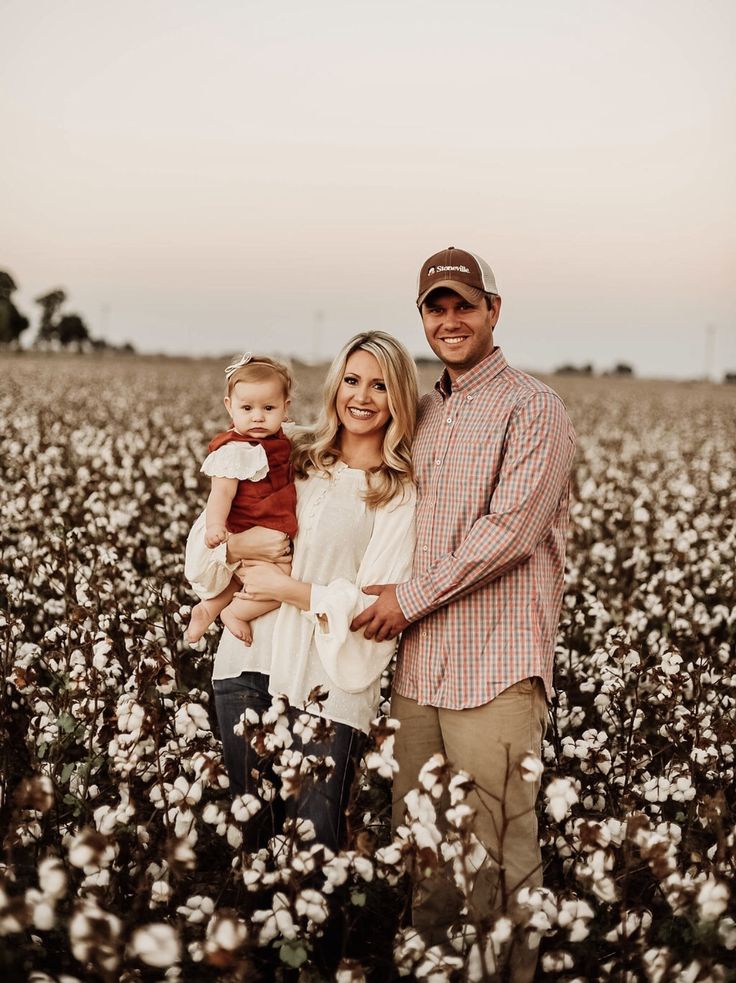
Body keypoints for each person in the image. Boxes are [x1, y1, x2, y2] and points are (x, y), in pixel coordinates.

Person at [352, 246, 576, 979]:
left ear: (493, 310)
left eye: (463, 305)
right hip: (418, 669)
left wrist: (405, 600)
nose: (450, 320)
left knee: (499, 851)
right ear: (422, 317)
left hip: (498, 664)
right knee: (425, 850)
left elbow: (509, 532)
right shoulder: (418, 412)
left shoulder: (533, 406)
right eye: (435, 308)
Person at [202, 331, 418, 851]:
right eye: (351, 380)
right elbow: (203, 554)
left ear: (400, 399)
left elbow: (376, 608)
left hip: (331, 685)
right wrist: (235, 548)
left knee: (315, 849)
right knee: (252, 838)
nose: (362, 397)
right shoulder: (284, 449)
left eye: (380, 386)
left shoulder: (398, 489)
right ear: (334, 385)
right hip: (248, 660)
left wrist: (289, 588)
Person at [184, 353, 297, 645]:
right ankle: (235, 612)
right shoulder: (234, 451)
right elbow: (220, 493)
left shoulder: (282, 441)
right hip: (249, 526)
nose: (257, 416)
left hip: (266, 523)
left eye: (268, 408)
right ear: (229, 407)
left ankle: (208, 608)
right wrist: (214, 527)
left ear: (285, 410)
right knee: (284, 578)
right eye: (246, 408)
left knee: (239, 577)